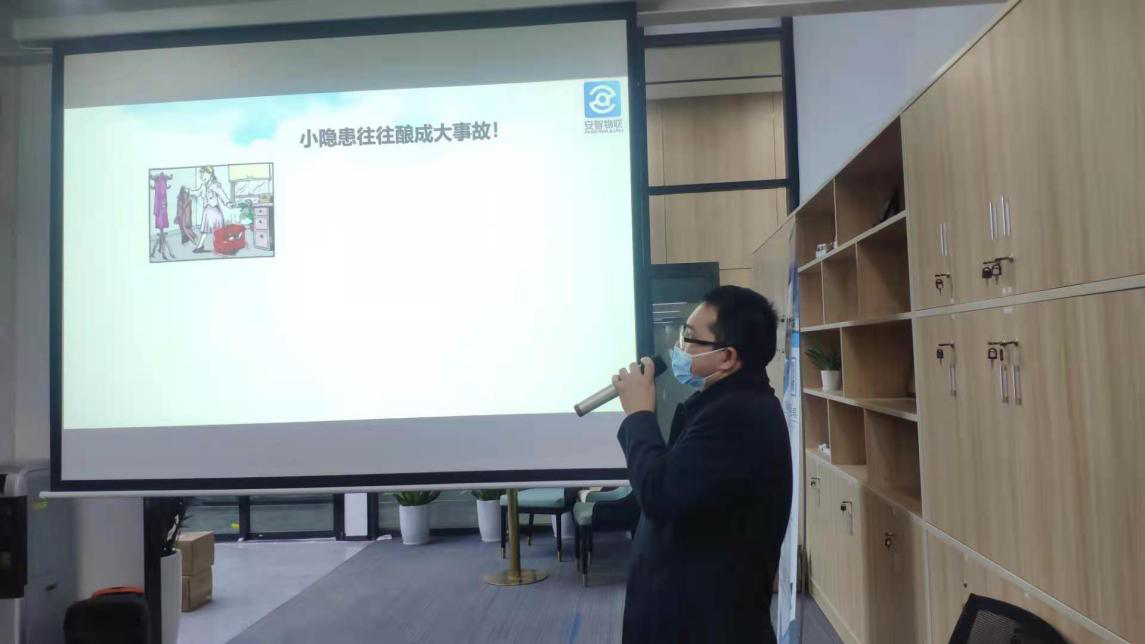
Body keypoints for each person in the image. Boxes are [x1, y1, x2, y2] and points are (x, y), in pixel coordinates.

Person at [612, 285, 793, 644]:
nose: (678, 348)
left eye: (689, 338)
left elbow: (660, 493)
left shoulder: (738, 416)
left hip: (708, 625)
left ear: (727, 357)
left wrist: (639, 415)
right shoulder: (724, 404)